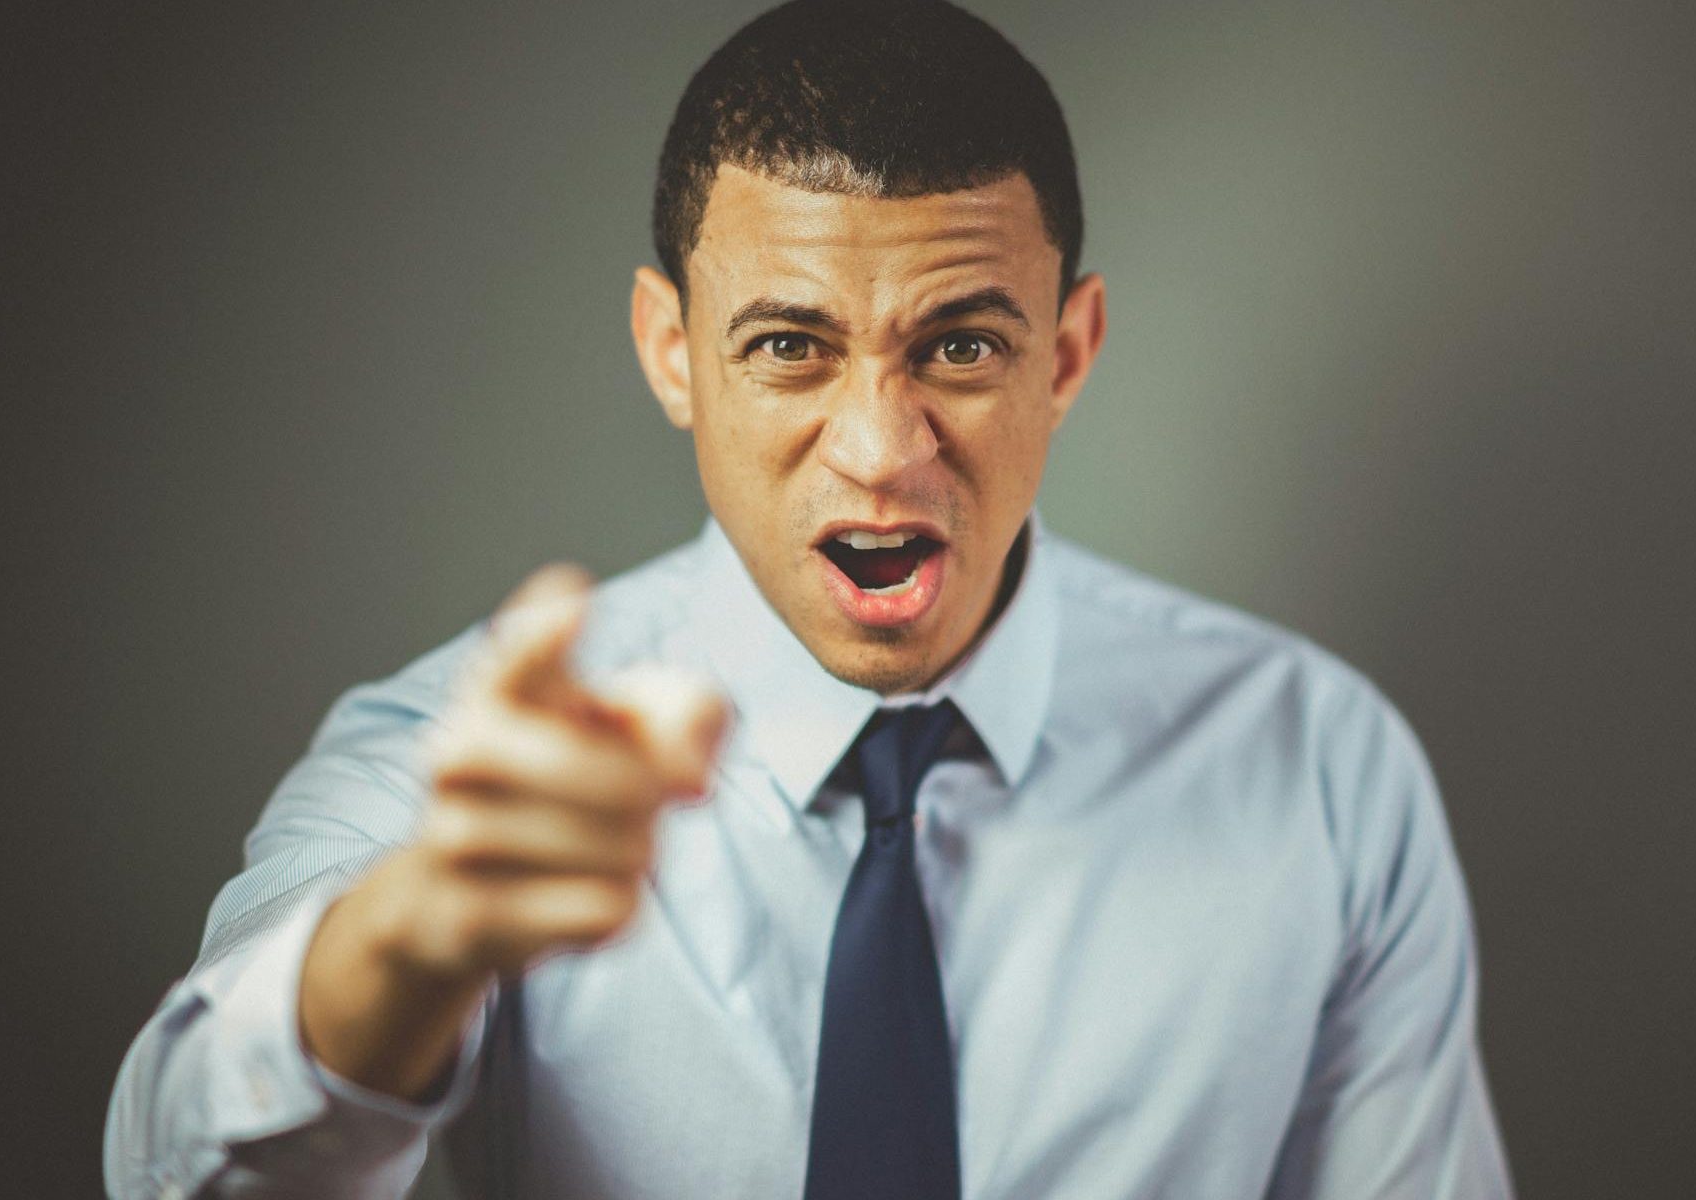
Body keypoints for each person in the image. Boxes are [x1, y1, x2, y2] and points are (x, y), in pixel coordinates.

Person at [104, 1, 1514, 1196]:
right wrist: (414, 944)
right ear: (673, 352)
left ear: (1069, 355)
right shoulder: (468, 773)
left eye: (961, 346)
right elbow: (180, 1163)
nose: (882, 450)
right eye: (789, 345)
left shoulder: (1321, 768)